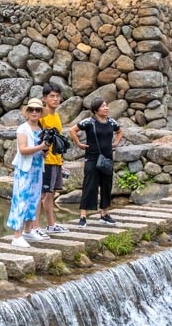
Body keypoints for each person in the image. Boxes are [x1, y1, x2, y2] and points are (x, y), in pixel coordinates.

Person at [70, 98, 124, 226]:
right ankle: (83, 216)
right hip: (92, 158)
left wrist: (116, 142)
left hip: (107, 158)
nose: (106, 108)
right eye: (103, 106)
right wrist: (79, 144)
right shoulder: (89, 122)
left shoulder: (111, 122)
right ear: (96, 109)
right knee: (89, 185)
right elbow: (72, 130)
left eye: (106, 106)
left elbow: (120, 131)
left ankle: (104, 214)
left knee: (106, 185)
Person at [7, 99, 49, 247]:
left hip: (37, 168)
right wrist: (41, 146)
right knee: (21, 199)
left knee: (34, 199)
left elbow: (42, 152)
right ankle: (16, 235)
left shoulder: (41, 128)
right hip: (24, 169)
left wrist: (44, 151)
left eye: (37, 110)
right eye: (31, 109)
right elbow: (23, 150)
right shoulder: (22, 129)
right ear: (27, 112)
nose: (34, 112)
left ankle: (28, 230)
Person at [37, 83, 67, 235]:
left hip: (56, 161)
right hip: (46, 161)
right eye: (52, 96)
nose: (56, 99)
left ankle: (51, 225)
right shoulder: (42, 116)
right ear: (44, 98)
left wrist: (62, 161)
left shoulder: (56, 116)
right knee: (41, 194)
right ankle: (34, 228)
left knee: (52, 194)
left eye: (57, 96)